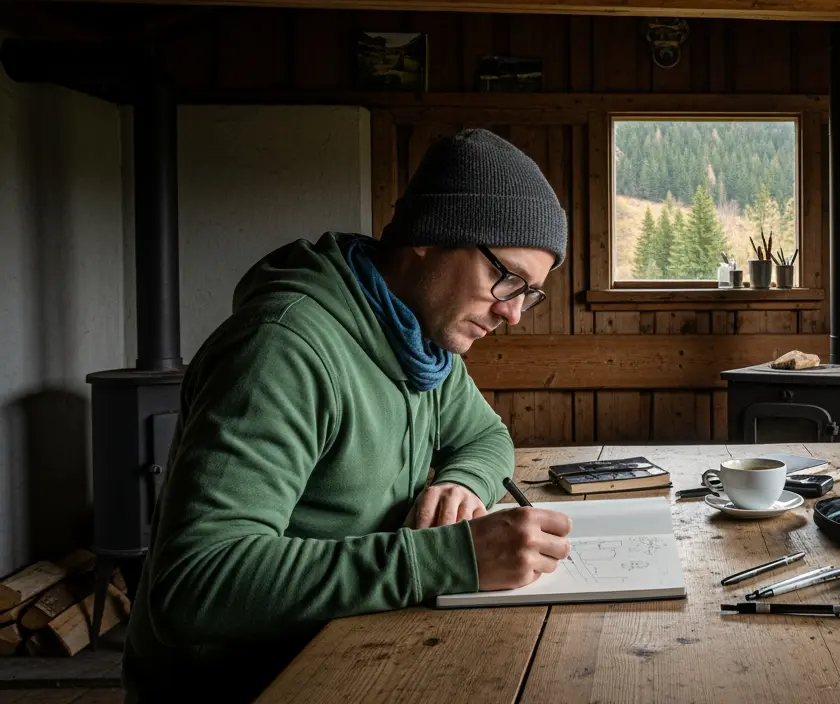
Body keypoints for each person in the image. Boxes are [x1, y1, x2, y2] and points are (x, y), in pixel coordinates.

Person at [122, 130, 573, 703]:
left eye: (529, 294)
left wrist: (463, 481)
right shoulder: (281, 350)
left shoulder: (419, 341)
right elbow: (195, 585)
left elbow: (485, 435)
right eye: (506, 278)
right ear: (432, 236)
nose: (512, 313)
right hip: (252, 685)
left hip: (360, 651)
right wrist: (447, 559)